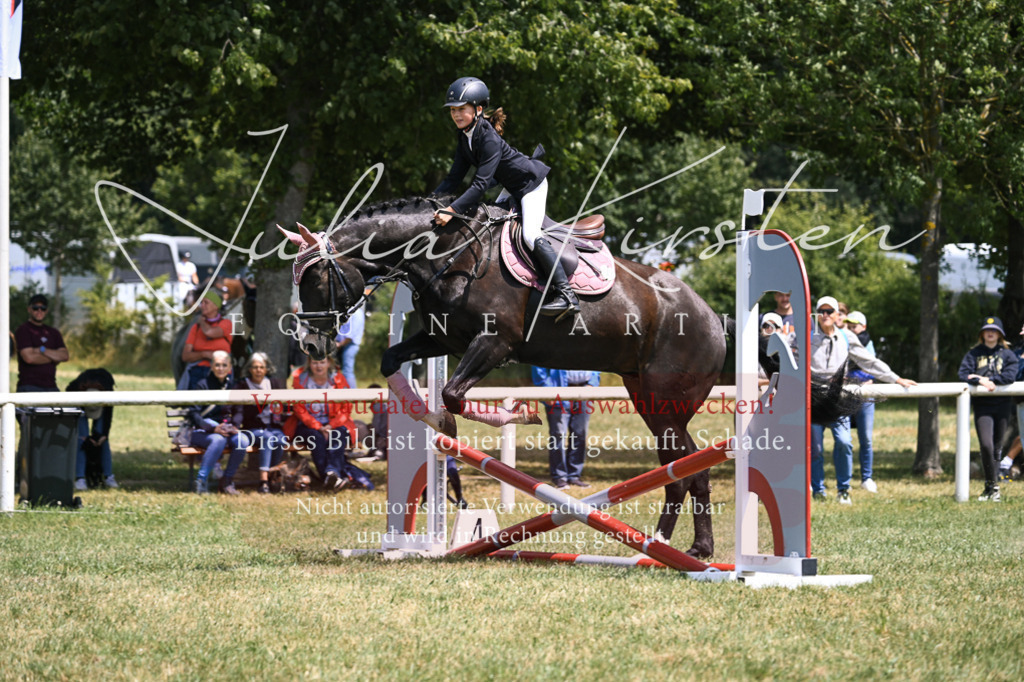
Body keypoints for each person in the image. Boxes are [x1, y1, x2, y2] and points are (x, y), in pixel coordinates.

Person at [431, 76, 578, 320]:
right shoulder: (465, 137)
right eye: (453, 110)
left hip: (531, 184)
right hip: (511, 185)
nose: (456, 115)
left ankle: (566, 294)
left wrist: (451, 210)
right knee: (489, 227)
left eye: (461, 109)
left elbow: (479, 185)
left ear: (478, 110)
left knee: (531, 235)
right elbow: (453, 178)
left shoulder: (487, 137)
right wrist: (431, 203)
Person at [810, 296, 916, 504]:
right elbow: (788, 358)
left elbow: (869, 361)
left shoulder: (846, 336)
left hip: (838, 399)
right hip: (813, 400)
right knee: (815, 448)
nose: (825, 315)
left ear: (836, 314)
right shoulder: (806, 336)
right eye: (820, 311)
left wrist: (895, 378)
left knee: (844, 442)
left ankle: (843, 490)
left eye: (829, 311)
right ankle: (818, 490)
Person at [283, 356, 373, 491]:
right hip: (308, 425)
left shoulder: (338, 379)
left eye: (322, 362)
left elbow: (346, 407)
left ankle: (331, 474)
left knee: (337, 436)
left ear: (329, 363)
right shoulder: (301, 380)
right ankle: (334, 476)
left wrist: (331, 426)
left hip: (335, 424)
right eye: (315, 362)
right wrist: (319, 427)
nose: (318, 366)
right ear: (309, 363)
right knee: (316, 438)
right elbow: (299, 409)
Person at [958, 317, 1019, 502]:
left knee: (997, 446)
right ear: (982, 334)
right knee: (986, 444)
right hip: (982, 405)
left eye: (994, 330)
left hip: (1002, 404)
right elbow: (963, 373)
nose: (990, 333)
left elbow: (1010, 375)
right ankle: (990, 485)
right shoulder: (974, 354)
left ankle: (993, 488)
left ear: (1000, 334)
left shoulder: (1008, 355)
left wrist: (992, 381)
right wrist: (979, 380)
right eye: (987, 330)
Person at [186, 350, 252, 495]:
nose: (220, 368)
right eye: (217, 365)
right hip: (202, 431)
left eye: (224, 365)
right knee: (218, 440)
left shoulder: (234, 386)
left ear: (229, 368)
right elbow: (194, 414)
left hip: (226, 430)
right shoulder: (201, 385)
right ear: (211, 367)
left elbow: (239, 410)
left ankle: (227, 481)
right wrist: (212, 428)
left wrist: (235, 426)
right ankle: (201, 482)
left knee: (243, 440)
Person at [532, 366, 598, 489]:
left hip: (584, 391)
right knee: (558, 435)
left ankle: (574, 475)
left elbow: (597, 361)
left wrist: (593, 383)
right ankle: (559, 476)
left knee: (580, 434)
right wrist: (546, 390)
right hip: (558, 391)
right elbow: (538, 366)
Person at [232, 352, 285, 494]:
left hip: (273, 426)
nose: (258, 370)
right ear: (249, 369)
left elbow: (284, 406)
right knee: (267, 438)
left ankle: (273, 477)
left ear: (267, 369)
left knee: (280, 440)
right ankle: (263, 481)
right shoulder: (242, 385)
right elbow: (239, 411)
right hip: (252, 428)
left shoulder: (274, 384)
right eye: (255, 367)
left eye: (262, 367)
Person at [844, 310, 882, 493]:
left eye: (855, 326)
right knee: (845, 440)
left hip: (866, 396)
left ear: (864, 327)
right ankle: (846, 479)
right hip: (846, 395)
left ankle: (867, 478)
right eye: (849, 326)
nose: (851, 329)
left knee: (865, 439)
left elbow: (870, 366)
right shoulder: (842, 341)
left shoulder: (869, 344)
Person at [68, 368, 118, 491]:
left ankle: (108, 476)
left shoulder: (107, 392)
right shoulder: (74, 389)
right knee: (81, 439)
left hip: (101, 403)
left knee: (103, 439)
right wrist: (85, 439)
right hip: (80, 405)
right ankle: (80, 478)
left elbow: (108, 414)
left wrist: (104, 434)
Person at [14, 294, 69, 392]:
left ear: (46, 311)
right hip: (29, 386)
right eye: (35, 307)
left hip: (52, 386)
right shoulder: (23, 330)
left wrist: (40, 350)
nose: (39, 310)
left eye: (43, 308)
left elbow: (64, 356)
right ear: (29, 309)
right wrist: (53, 358)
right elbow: (29, 358)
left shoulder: (53, 332)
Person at [180, 290, 233, 389]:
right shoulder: (196, 328)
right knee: (195, 403)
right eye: (201, 302)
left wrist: (202, 322)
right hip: (198, 372)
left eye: (206, 302)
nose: (202, 305)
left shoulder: (226, 324)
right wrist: (204, 354)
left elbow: (210, 332)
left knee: (221, 404)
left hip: (222, 373)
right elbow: (185, 356)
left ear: (216, 306)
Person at [334, 306, 365, 390]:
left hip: (349, 344)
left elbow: (351, 335)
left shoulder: (356, 313)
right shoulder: (344, 311)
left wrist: (339, 344)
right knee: (335, 370)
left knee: (347, 370)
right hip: (340, 344)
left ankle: (352, 394)